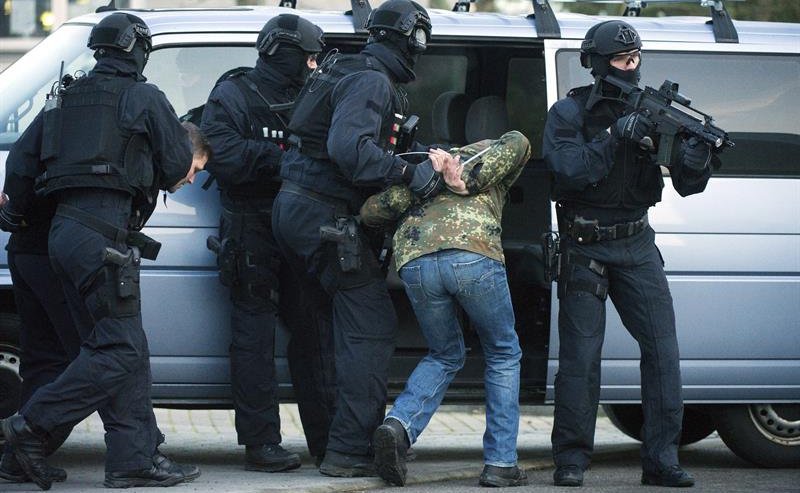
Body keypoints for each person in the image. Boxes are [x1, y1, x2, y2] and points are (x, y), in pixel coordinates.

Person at [0, 13, 206, 490]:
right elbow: (176, 162)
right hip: (102, 238)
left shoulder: (65, 96)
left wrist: (14, 215)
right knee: (119, 348)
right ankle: (30, 427)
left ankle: (130, 458)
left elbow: (23, 160)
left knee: (92, 348)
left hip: (57, 237)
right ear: (139, 51)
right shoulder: (143, 97)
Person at [272, 0, 443, 478]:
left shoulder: (344, 68)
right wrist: (408, 174)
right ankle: (349, 451)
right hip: (326, 215)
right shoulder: (371, 80)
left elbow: (352, 141)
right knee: (370, 327)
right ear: (408, 40)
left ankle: (329, 443)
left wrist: (415, 158)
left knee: (324, 331)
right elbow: (349, 148)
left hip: (297, 208)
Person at [543, 20, 717, 488]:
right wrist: (613, 135)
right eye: (622, 59)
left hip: (637, 243)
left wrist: (695, 162)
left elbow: (688, 183)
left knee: (663, 351)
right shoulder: (568, 113)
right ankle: (571, 460)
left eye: (636, 57)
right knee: (581, 357)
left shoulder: (652, 110)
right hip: (585, 244)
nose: (632, 66)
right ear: (599, 64)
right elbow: (568, 169)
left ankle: (661, 460)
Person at [199, 13, 337, 472]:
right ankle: (261, 444)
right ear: (284, 53)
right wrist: (287, 159)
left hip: (300, 225)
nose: (313, 65)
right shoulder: (233, 93)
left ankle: (329, 442)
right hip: (250, 227)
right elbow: (226, 157)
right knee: (253, 337)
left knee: (315, 334)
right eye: (308, 57)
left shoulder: (316, 94)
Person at [361, 131, 532, 488]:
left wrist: (446, 179)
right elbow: (520, 141)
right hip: (473, 255)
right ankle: (501, 463)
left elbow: (371, 212)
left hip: (418, 264)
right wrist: (451, 178)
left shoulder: (432, 172)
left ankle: (398, 427)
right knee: (503, 352)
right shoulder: (484, 160)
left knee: (444, 353)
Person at [0, 191, 80, 486]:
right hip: (46, 251)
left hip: (26, 247)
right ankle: (27, 434)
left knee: (41, 358)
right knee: (80, 359)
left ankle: (18, 461)